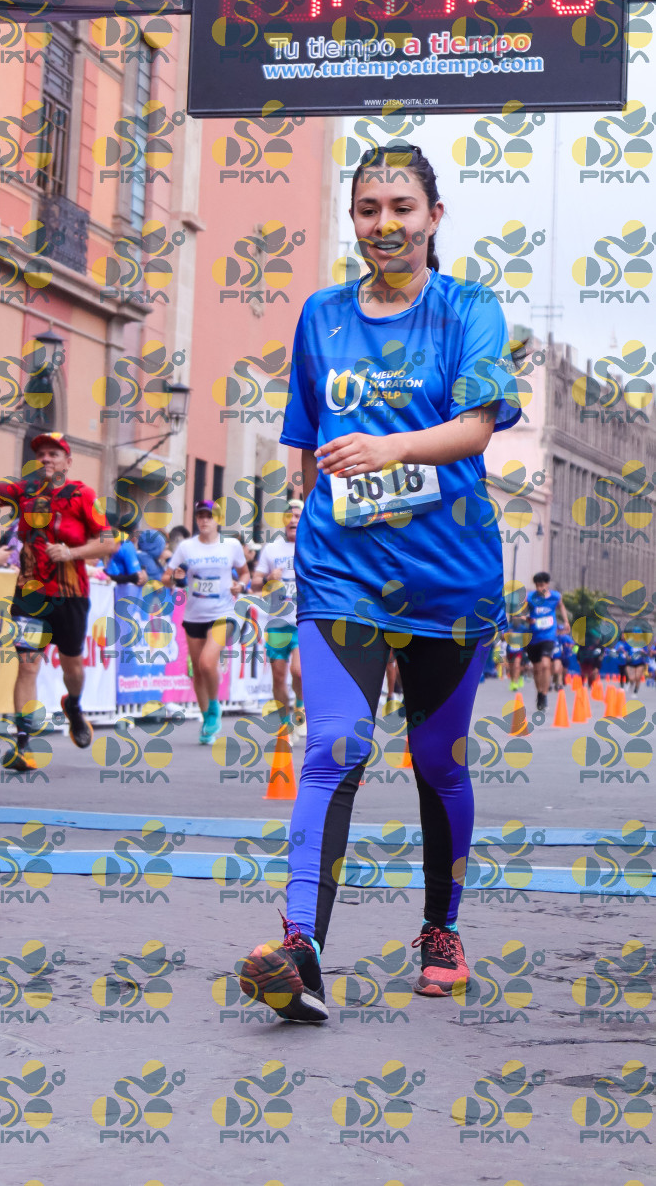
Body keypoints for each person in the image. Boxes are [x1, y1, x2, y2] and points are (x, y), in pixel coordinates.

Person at [239, 140, 522, 1025]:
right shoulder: (322, 315)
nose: (385, 224)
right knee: (334, 744)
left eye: (402, 207)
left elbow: (476, 426)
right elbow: (304, 435)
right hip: (344, 571)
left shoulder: (469, 308)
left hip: (448, 576)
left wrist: (385, 450)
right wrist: (311, 497)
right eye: (369, 209)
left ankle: (441, 928)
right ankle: (301, 948)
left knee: (438, 759)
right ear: (354, 221)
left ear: (434, 217)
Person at [0, 431, 113, 774]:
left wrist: (72, 553)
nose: (46, 459)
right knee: (27, 666)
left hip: (71, 596)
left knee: (72, 668)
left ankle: (74, 705)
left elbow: (109, 543)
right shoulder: (24, 490)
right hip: (31, 595)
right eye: (41, 454)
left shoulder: (84, 495)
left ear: (68, 461)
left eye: (54, 454)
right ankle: (23, 745)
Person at [162, 499, 248, 746]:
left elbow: (244, 573)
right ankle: (208, 721)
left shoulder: (231, 545)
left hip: (223, 613)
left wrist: (240, 585)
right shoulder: (187, 547)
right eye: (200, 516)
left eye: (209, 516)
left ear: (217, 519)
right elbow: (166, 577)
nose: (204, 520)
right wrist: (175, 577)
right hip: (194, 615)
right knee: (198, 671)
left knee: (207, 662)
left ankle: (214, 707)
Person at [252, 501, 305, 741]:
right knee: (279, 677)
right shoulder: (271, 549)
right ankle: (285, 726)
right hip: (277, 623)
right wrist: (267, 580)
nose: (293, 520)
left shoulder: (311, 546)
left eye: (297, 515)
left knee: (299, 672)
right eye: (289, 516)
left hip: (302, 621)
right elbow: (254, 583)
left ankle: (300, 708)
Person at [525, 572, 569, 712]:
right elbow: (520, 613)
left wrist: (566, 621)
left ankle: (544, 695)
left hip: (549, 636)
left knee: (545, 665)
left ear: (547, 584)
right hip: (533, 638)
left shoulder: (556, 596)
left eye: (542, 585)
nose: (539, 588)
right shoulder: (530, 597)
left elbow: (561, 606)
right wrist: (526, 618)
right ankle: (540, 693)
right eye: (537, 585)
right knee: (537, 669)